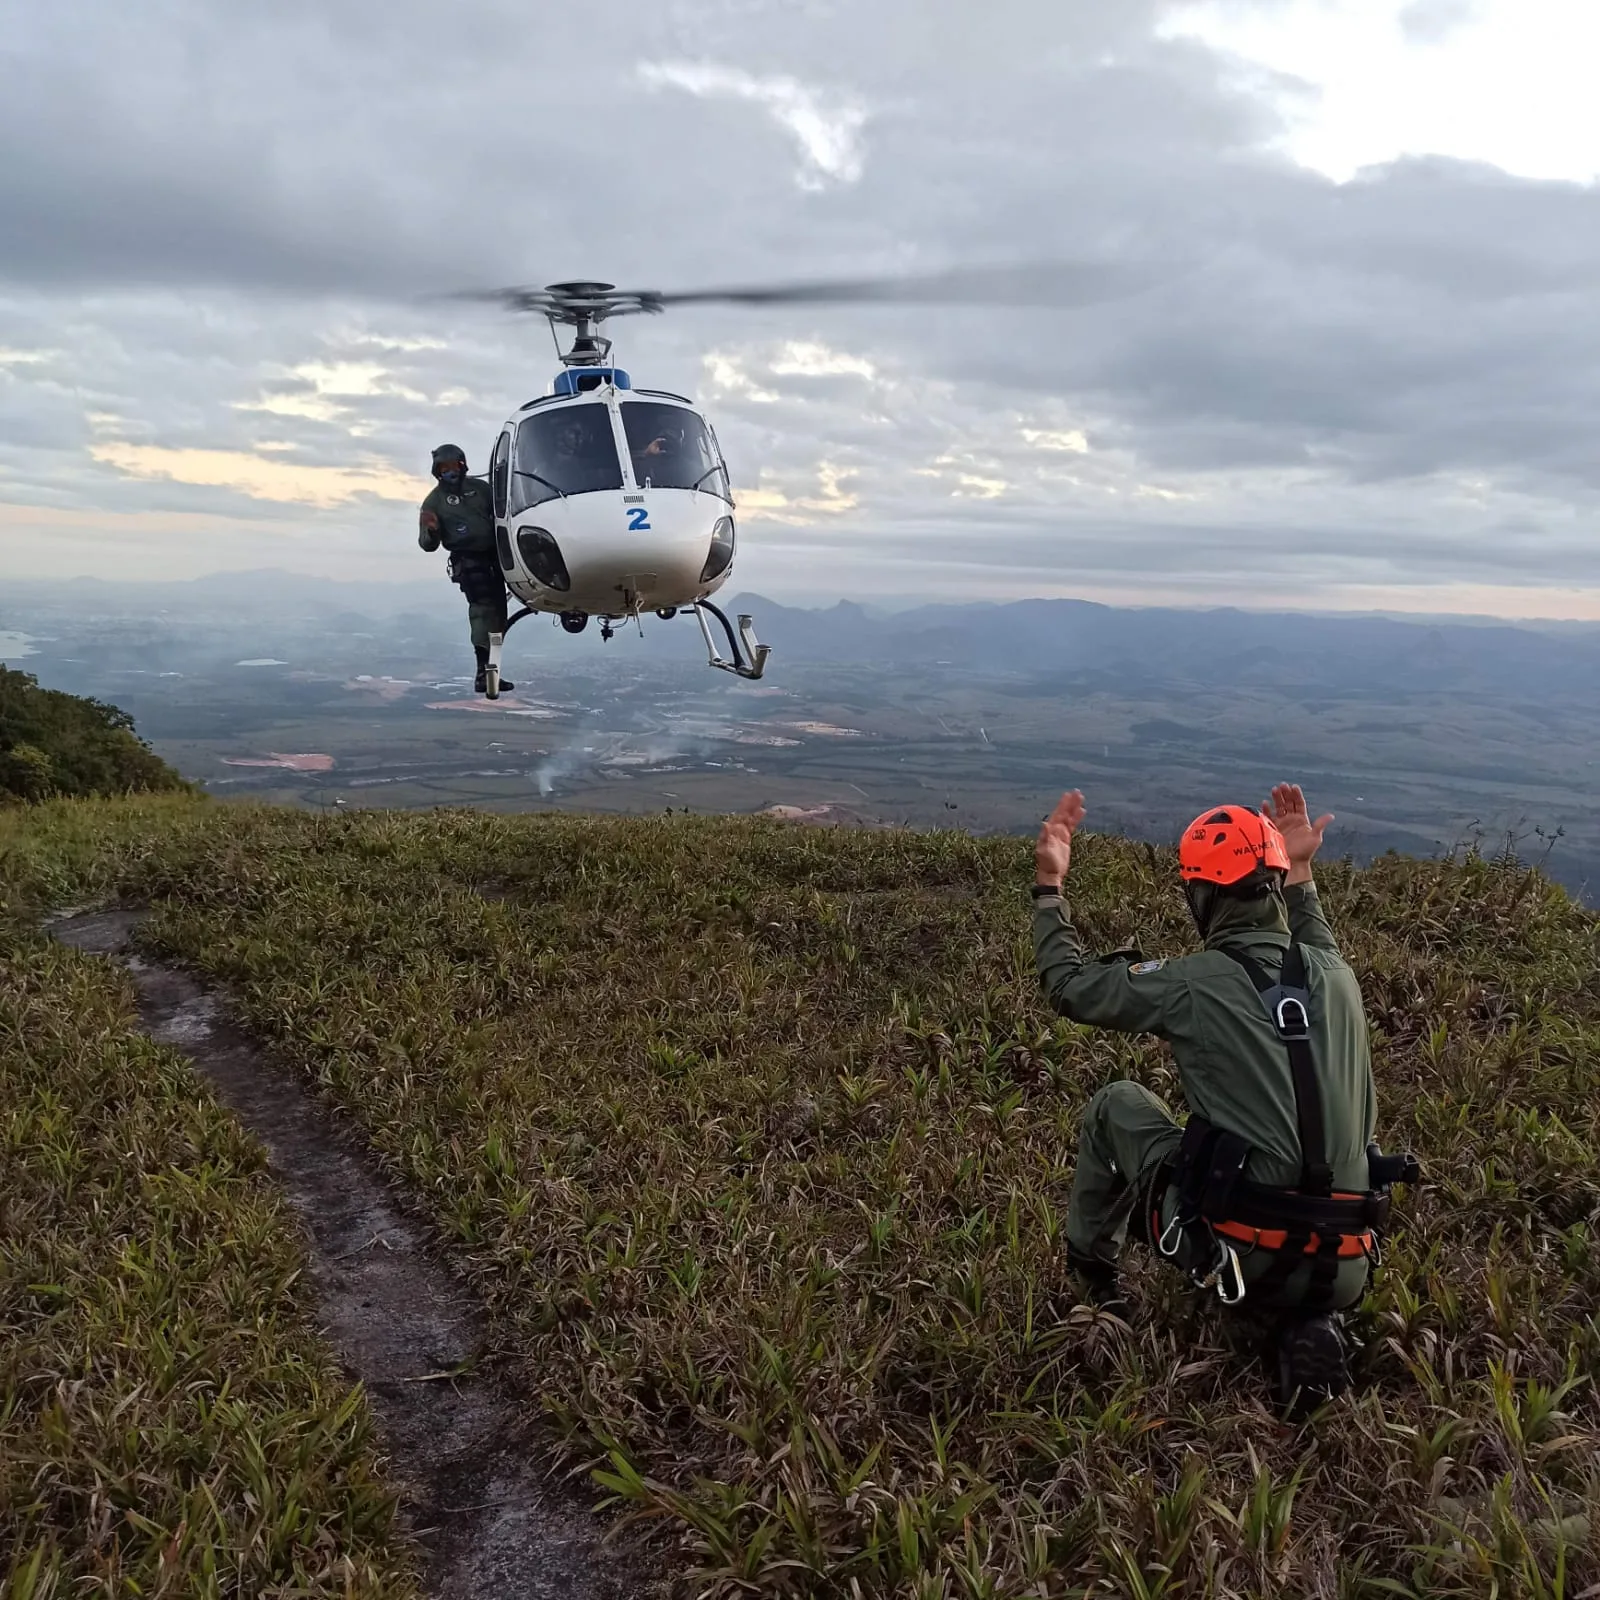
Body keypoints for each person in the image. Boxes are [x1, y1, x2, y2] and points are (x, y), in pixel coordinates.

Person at [1032, 783, 1414, 1418]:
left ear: (1201, 896)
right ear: (1272, 882)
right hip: (1348, 1263)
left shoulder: (1192, 984)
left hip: (1236, 1252)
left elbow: (1071, 987)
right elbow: (1314, 935)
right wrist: (1301, 871)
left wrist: (1050, 886)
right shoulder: (1336, 974)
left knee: (1116, 1104)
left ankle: (1096, 1288)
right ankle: (1303, 1322)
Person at [417, 443, 514, 696]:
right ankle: (483, 674)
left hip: (498, 556)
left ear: (463, 465)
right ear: (437, 470)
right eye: (444, 468)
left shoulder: (481, 489)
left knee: (499, 615)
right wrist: (431, 530)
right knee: (483, 611)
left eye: (454, 466)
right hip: (470, 562)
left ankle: (492, 670)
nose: (450, 471)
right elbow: (427, 545)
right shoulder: (433, 502)